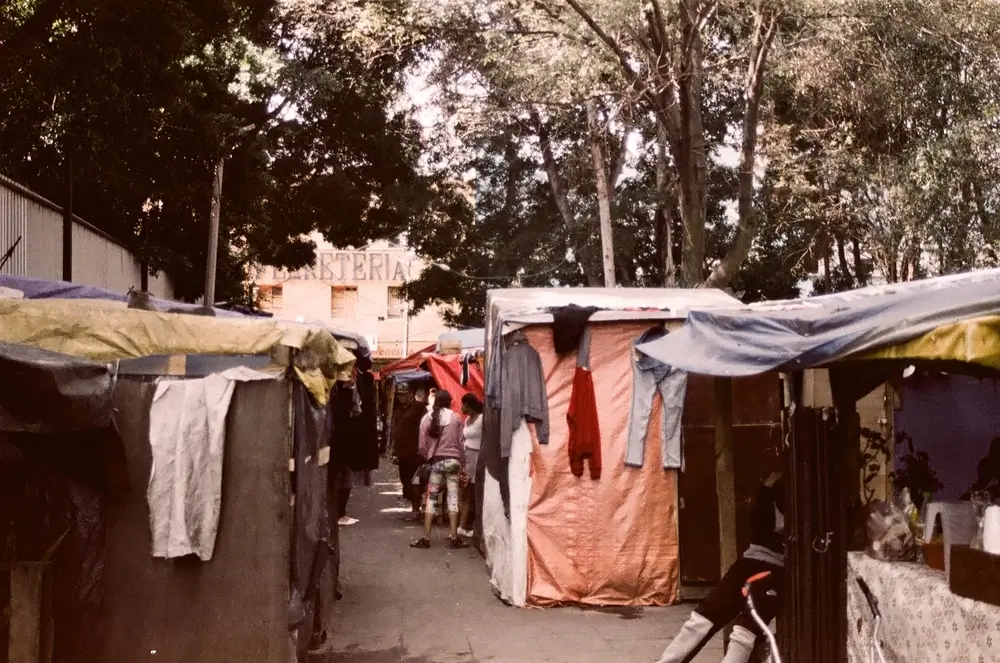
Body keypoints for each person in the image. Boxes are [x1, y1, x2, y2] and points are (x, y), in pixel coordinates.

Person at [655, 471, 786, 663]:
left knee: (745, 630)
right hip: (754, 558)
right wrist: (767, 488)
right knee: (703, 618)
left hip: (776, 566)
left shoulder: (797, 485)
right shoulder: (774, 484)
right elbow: (758, 524)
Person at [410, 390, 468, 549]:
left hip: (436, 462)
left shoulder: (427, 418)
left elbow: (421, 446)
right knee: (453, 499)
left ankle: (426, 538)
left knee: (431, 498)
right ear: (450, 402)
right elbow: (462, 445)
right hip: (453, 462)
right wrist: (463, 464)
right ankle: (454, 537)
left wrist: (427, 456)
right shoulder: (456, 418)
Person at [391, 383, 427, 520]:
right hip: (402, 452)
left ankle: (416, 510)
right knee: (405, 481)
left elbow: (426, 427)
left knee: (415, 481)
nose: (401, 397)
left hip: (414, 452)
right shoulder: (399, 410)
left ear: (410, 394)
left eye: (403, 394)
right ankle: (415, 508)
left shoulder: (418, 409)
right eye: (399, 394)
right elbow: (396, 430)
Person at [457, 393, 483, 538]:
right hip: (467, 459)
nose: (462, 407)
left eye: (464, 404)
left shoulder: (481, 419)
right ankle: (462, 525)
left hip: (477, 458)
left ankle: (475, 526)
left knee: (475, 494)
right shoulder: (467, 419)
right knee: (466, 493)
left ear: (469, 405)